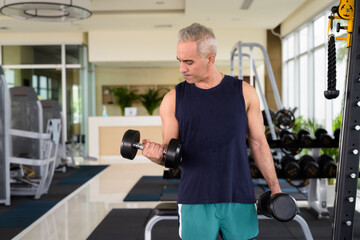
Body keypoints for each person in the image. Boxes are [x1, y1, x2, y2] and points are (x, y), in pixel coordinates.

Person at [142, 23, 282, 240]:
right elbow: (171, 155)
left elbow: (259, 143)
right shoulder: (173, 99)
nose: (182, 69)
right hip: (194, 199)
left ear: (210, 58)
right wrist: (155, 156)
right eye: (180, 61)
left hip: (239, 196)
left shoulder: (245, 93)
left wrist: (275, 187)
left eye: (189, 62)